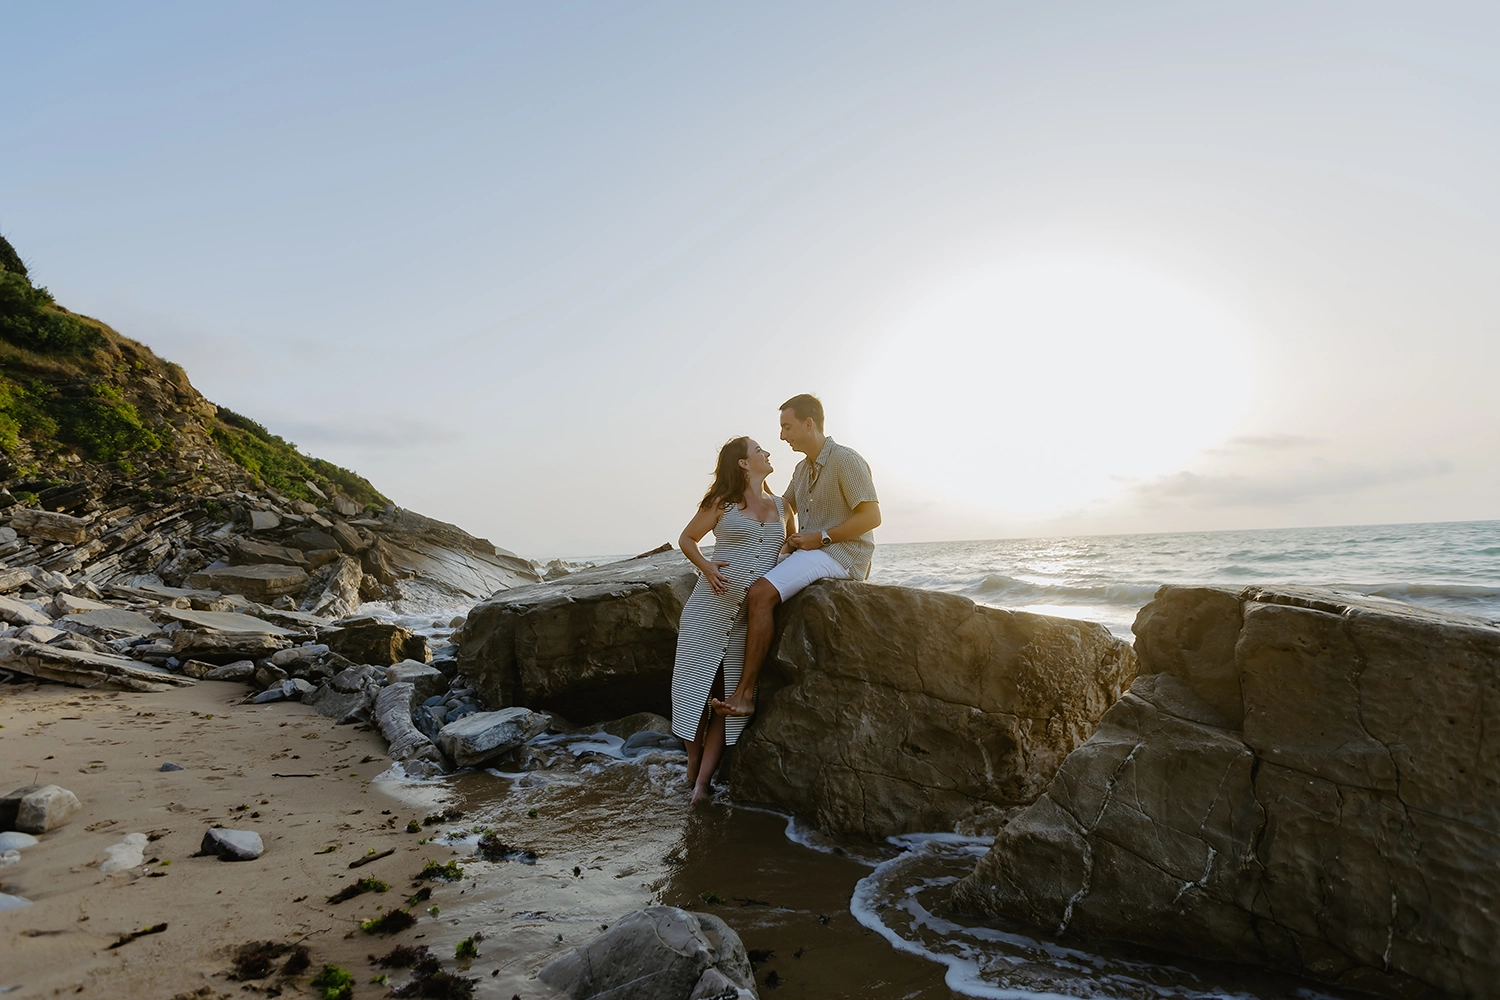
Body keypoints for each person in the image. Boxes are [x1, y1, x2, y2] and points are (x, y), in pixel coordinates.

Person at [712, 394, 880, 718]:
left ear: (809, 423)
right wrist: (743, 483)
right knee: (747, 583)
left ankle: (744, 694)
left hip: (843, 554)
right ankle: (721, 668)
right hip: (813, 552)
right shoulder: (802, 470)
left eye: (787, 427)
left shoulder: (846, 460)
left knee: (761, 593)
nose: (782, 436)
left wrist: (822, 536)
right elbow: (780, 505)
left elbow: (872, 516)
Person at [672, 436, 792, 805]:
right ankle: (693, 765)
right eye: (759, 450)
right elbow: (687, 538)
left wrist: (789, 556)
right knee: (692, 692)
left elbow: (787, 545)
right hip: (708, 609)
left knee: (731, 700)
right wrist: (707, 567)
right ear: (743, 463)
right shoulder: (720, 503)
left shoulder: (784, 505)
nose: (767, 453)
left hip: (748, 620)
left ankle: (702, 783)